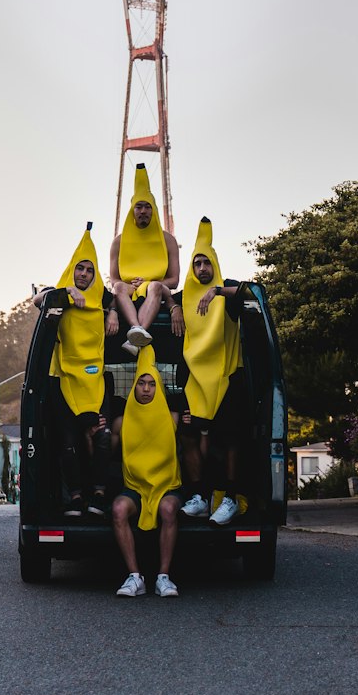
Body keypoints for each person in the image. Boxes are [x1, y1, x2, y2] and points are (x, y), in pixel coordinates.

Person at [33, 223, 119, 517]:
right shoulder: (58, 293)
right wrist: (67, 290)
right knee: (68, 442)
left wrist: (114, 313)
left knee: (103, 437)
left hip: (95, 382)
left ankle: (99, 495)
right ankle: (76, 498)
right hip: (63, 380)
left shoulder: (102, 296)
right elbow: (36, 299)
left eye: (89, 270)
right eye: (79, 269)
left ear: (95, 274)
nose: (83, 274)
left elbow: (118, 297)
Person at [172, 217, 247, 526]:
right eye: (197, 263)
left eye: (206, 263)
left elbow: (253, 292)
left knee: (228, 441)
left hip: (227, 379)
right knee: (190, 436)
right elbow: (159, 294)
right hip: (197, 383)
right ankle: (200, 496)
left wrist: (217, 291)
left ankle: (229, 497)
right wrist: (174, 307)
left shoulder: (225, 292)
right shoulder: (185, 295)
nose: (201, 268)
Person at [112, 345, 182, 598]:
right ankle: (135, 577)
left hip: (166, 485)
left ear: (158, 387)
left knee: (168, 509)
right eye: (141, 383)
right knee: (119, 509)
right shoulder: (121, 421)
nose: (146, 388)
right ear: (134, 386)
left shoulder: (172, 417)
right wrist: (98, 432)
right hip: (135, 487)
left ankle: (163, 577)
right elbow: (106, 455)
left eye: (152, 384)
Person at [109, 163, 180, 355]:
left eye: (147, 207)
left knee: (155, 287)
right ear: (132, 210)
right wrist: (130, 283)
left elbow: (174, 281)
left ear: (153, 210)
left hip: (157, 290)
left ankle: (135, 333)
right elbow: (114, 279)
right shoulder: (118, 242)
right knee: (118, 287)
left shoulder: (168, 240)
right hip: (129, 289)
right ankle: (137, 330)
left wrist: (150, 282)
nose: (143, 211)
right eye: (138, 206)